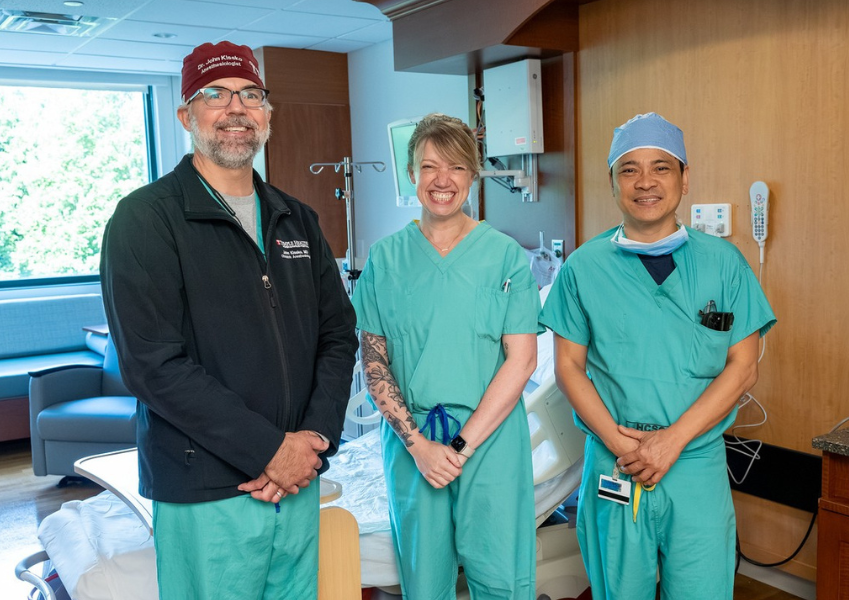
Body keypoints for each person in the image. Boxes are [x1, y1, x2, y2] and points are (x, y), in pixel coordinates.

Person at [100, 41, 357, 600]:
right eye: (214, 94)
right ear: (186, 115)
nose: (235, 108)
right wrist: (270, 450)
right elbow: (152, 365)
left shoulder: (298, 220)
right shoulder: (146, 219)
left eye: (250, 95)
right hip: (207, 483)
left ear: (267, 114)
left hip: (298, 479)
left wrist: (312, 440)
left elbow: (337, 336)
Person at [539, 112, 776, 599]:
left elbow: (743, 367)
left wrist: (672, 442)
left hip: (694, 463)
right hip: (615, 462)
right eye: (629, 169)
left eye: (662, 168)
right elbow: (568, 367)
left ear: (685, 180)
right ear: (612, 182)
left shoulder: (724, 264)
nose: (645, 182)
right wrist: (626, 447)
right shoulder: (584, 268)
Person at [351, 113, 540, 599]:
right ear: (412, 173)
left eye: (456, 167)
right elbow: (374, 364)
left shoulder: (504, 256)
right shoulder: (386, 259)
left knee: (501, 581)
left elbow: (521, 362)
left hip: (491, 442)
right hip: (413, 443)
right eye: (429, 166)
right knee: (425, 584)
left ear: (473, 175)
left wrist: (458, 449)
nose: (442, 180)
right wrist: (418, 446)